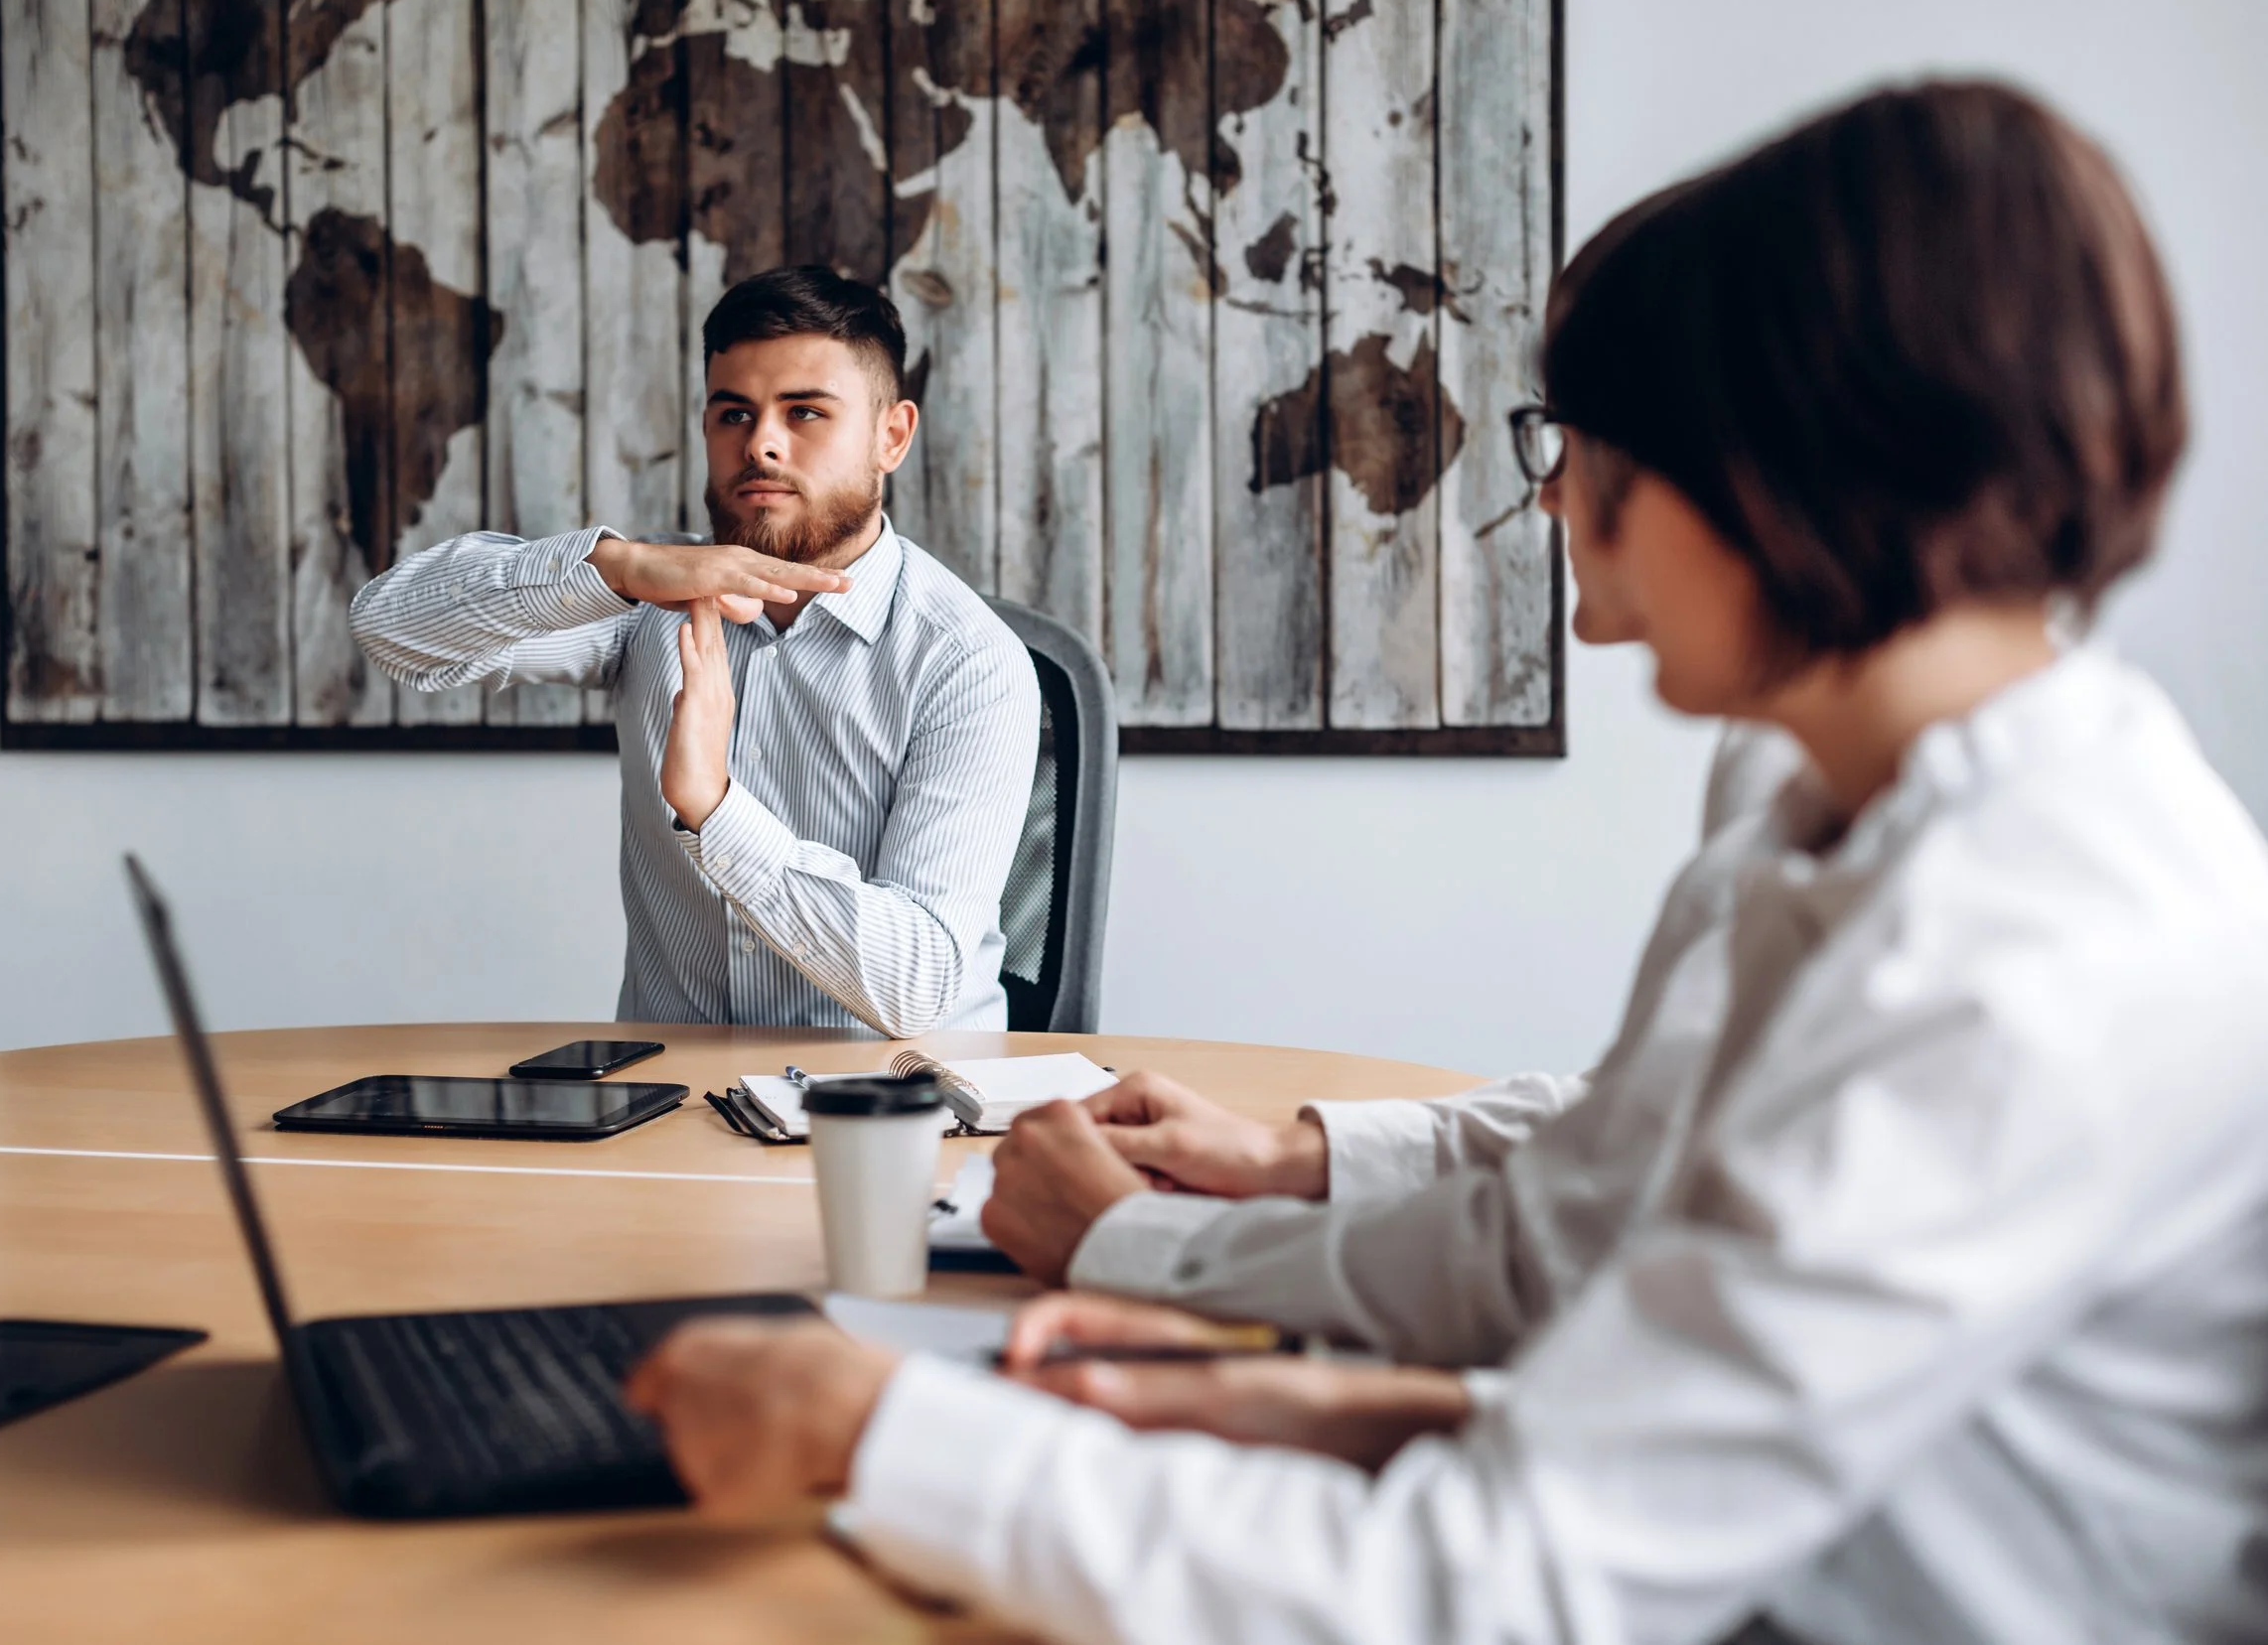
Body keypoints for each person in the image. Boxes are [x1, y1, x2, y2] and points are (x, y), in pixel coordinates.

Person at [626, 81, 2268, 1643]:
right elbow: (1636, 1234)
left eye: (1589, 445)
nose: (1556, 504)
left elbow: (1495, 1586)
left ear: (1779, 460)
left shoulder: (2016, 956)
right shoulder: (1845, 805)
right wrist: (1310, 1392)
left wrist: (885, 1432)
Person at [351, 268, 1040, 1038]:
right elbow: (389, 629)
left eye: (805, 412)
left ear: (892, 436)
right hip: (670, 1089)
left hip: (888, 1093)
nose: (761, 443)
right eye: (733, 413)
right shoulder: (647, 597)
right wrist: (618, 567)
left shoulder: (970, 662)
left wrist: (715, 810)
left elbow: (919, 984)